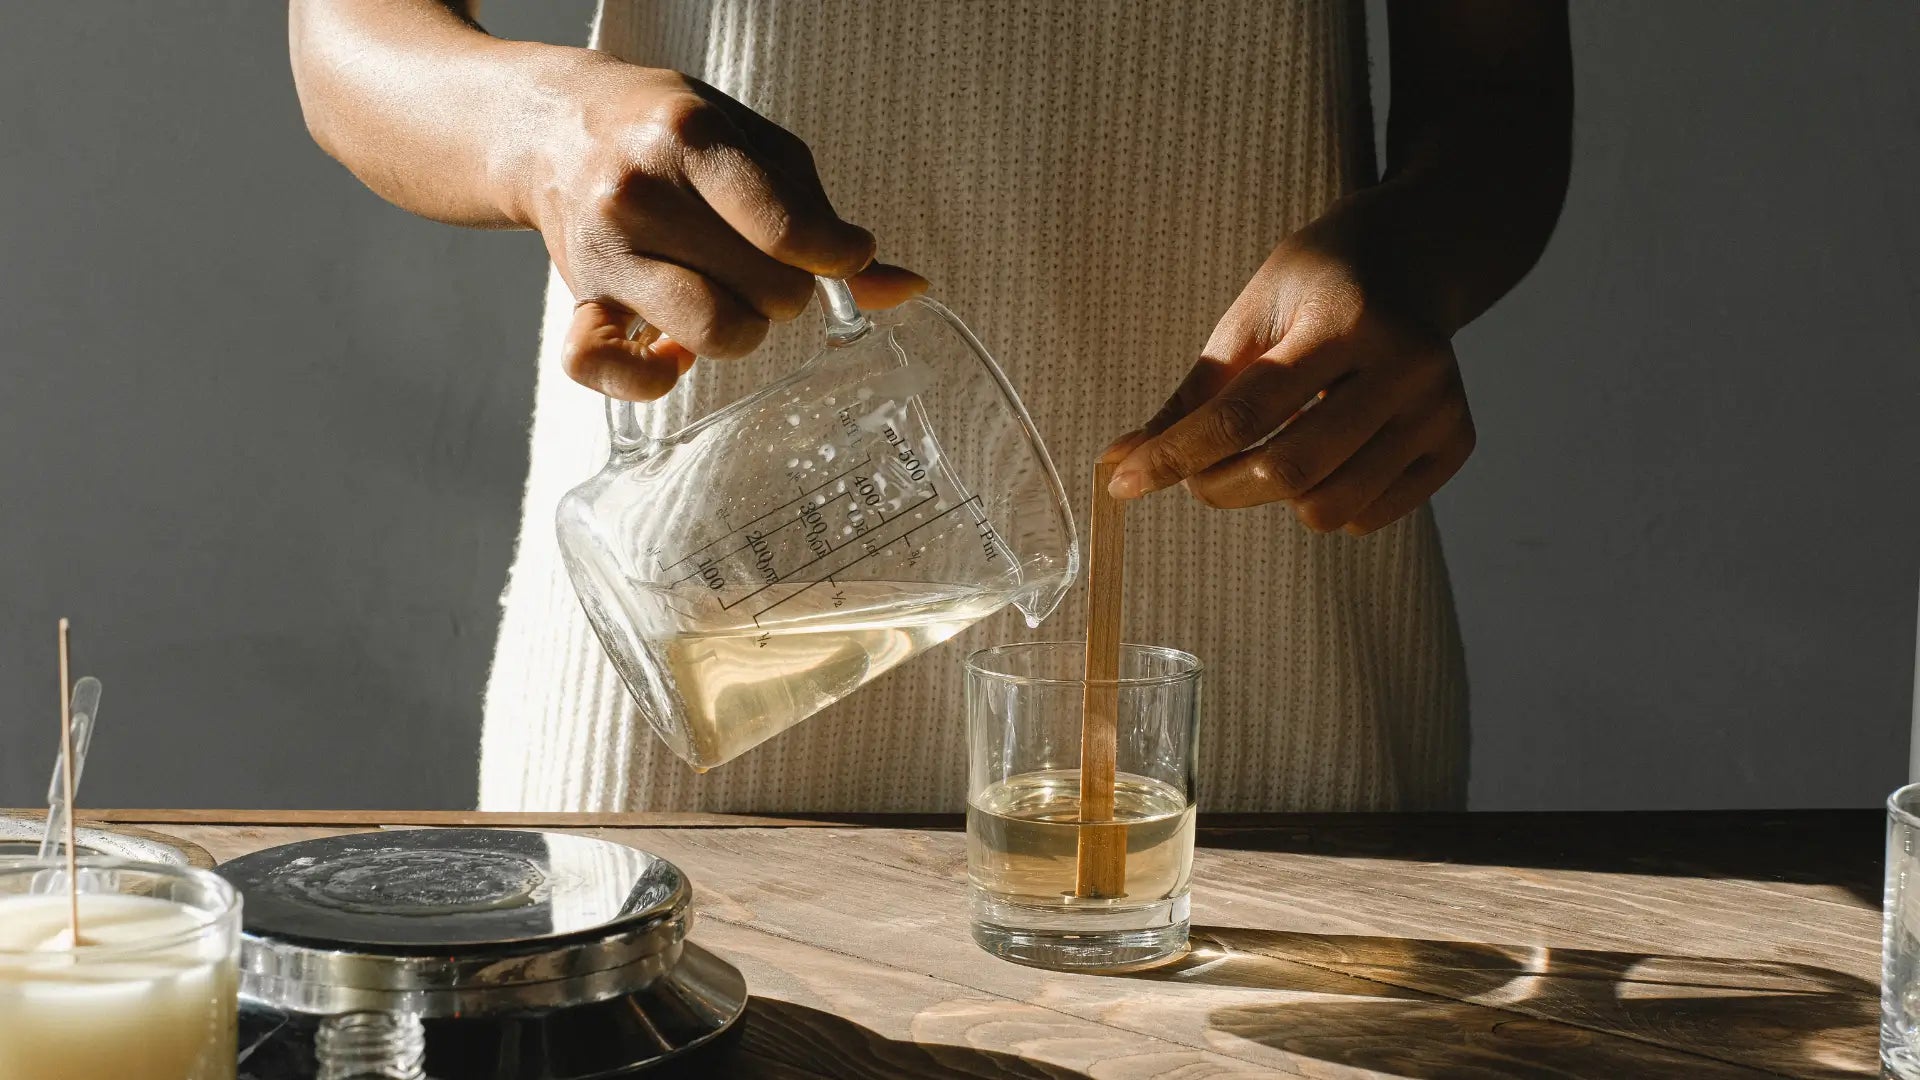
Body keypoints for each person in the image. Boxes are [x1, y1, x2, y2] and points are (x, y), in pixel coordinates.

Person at [289, 1, 1571, 812]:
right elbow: (344, 36)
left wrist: (1410, 259)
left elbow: (1500, 87)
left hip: (1276, 702)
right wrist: (545, 129)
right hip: (681, 679)